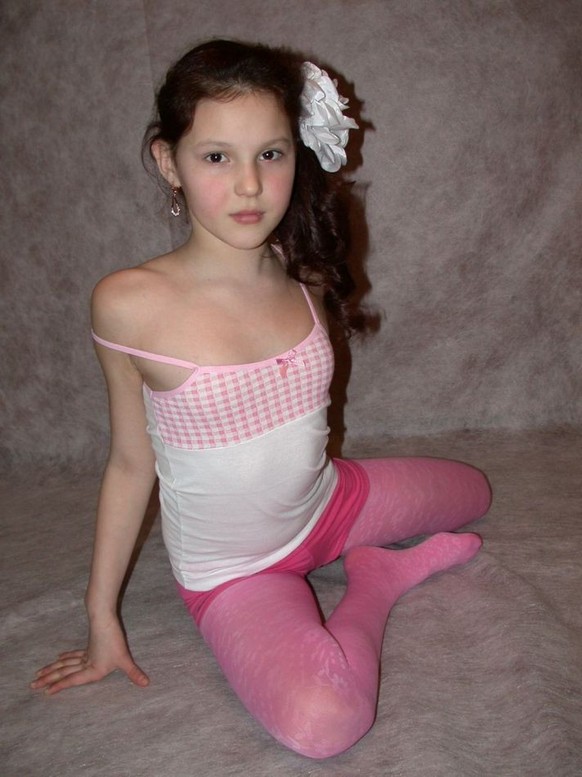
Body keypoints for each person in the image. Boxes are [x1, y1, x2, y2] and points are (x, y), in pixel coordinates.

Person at [31, 39, 491, 759]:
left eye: (270, 154)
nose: (249, 185)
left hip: (328, 505)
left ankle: (354, 547)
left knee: (475, 492)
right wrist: (101, 618)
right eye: (217, 157)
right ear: (168, 161)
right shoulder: (128, 304)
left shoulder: (301, 269)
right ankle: (377, 580)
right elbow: (129, 462)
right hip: (236, 570)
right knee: (325, 722)